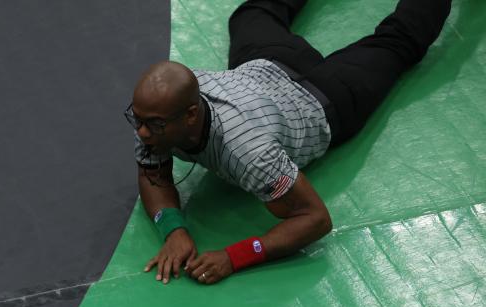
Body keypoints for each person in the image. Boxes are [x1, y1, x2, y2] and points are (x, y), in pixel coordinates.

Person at [127, 0, 451, 285]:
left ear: (190, 115)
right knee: (252, 13)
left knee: (399, 41)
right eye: (138, 120)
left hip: (325, 98)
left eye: (151, 125)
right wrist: (173, 228)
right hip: (264, 65)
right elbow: (152, 174)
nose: (142, 133)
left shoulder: (249, 153)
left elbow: (314, 219)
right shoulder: (157, 115)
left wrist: (235, 256)